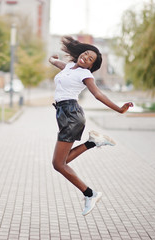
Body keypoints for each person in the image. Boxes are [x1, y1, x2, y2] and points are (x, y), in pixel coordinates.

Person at [49, 36, 133, 216]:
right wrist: (52, 58)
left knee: (58, 164)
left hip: (71, 115)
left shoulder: (85, 75)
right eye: (86, 54)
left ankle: (90, 194)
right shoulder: (69, 67)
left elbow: (98, 94)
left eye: (90, 60)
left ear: (90, 66)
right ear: (81, 53)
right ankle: (93, 142)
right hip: (64, 114)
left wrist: (119, 109)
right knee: (61, 163)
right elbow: (56, 62)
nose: (86, 58)